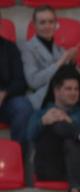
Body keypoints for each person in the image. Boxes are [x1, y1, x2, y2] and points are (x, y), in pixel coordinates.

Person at [26, 66, 80, 192]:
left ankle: (75, 188)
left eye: (76, 89)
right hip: (51, 168)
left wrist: (69, 122)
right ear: (56, 91)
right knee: (56, 124)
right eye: (68, 89)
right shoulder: (42, 113)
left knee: (71, 140)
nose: (73, 93)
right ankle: (75, 188)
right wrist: (43, 122)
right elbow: (29, 135)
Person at [0, 17, 34, 148]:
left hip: (6, 102)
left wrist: (4, 93)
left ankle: (18, 158)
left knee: (23, 107)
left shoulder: (10, 48)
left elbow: (21, 81)